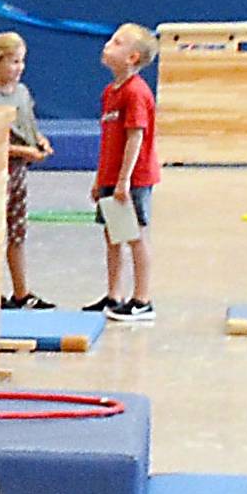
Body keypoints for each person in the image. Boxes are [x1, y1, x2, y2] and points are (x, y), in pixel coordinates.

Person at [83, 23, 159, 324]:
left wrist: (124, 180)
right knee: (112, 236)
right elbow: (108, 140)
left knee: (134, 237)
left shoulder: (136, 93)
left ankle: (142, 299)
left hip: (132, 178)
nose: (107, 45)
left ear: (133, 57)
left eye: (117, 42)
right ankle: (114, 295)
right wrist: (100, 178)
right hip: (111, 178)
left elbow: (135, 136)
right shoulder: (110, 92)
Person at [0, 32, 53, 310]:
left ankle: (22, 292)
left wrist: (40, 141)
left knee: (17, 231)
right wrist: (24, 152)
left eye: (21, 61)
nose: (19, 68)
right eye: (13, 62)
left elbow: (29, 127)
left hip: (20, 172)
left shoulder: (22, 93)